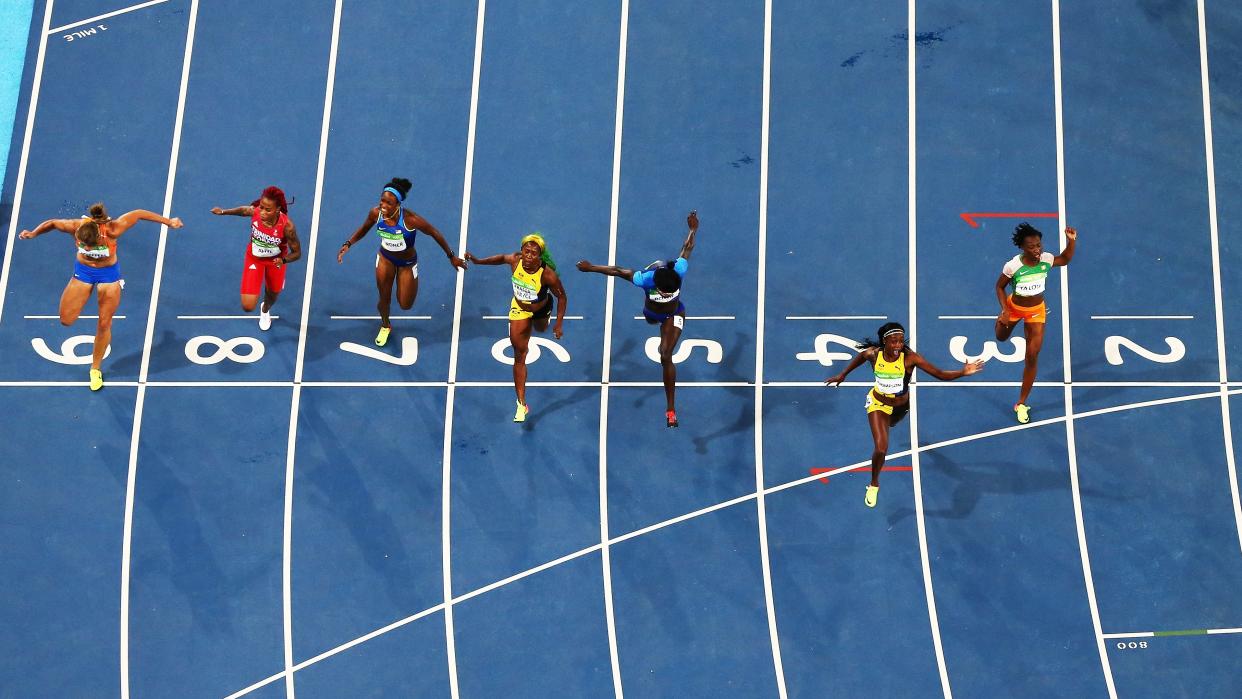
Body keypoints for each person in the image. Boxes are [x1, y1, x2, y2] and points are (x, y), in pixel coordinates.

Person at [19, 202, 184, 390]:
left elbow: (138, 213)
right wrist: (33, 233)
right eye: (84, 246)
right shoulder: (75, 226)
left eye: (90, 246)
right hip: (83, 272)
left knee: (104, 323)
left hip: (108, 275)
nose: (87, 249)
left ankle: (95, 369)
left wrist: (168, 222)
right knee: (66, 320)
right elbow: (52, 223)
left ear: (99, 235)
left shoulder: (113, 230)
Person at [825, 322, 985, 508]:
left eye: (901, 341)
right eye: (894, 342)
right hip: (878, 403)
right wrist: (843, 374)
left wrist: (962, 372)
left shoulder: (910, 359)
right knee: (881, 448)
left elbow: (940, 374)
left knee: (892, 424)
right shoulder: (873, 354)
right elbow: (861, 356)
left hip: (901, 407)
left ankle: (889, 424)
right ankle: (874, 483)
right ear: (884, 341)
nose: (898, 346)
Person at [577, 210, 699, 427]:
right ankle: (655, 322)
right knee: (651, 321)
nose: (663, 293)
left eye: (667, 291)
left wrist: (692, 229)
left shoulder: (679, 271)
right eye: (661, 291)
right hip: (651, 314)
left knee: (665, 355)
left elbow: (687, 248)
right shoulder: (645, 278)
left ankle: (670, 409)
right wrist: (591, 268)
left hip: (673, 314)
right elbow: (616, 270)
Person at [336, 177, 467, 346]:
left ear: (398, 204)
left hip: (407, 264)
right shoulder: (375, 213)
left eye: (388, 203)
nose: (383, 205)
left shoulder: (410, 220)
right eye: (382, 200)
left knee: (405, 304)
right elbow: (363, 229)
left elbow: (434, 232)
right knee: (384, 299)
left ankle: (402, 284)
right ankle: (385, 325)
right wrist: (348, 244)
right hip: (385, 259)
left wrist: (452, 256)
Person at [465, 234, 567, 422]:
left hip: (542, 308)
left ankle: (545, 316)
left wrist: (559, 323)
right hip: (520, 308)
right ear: (521, 251)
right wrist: (478, 261)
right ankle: (521, 404)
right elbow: (501, 258)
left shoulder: (547, 275)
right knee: (519, 354)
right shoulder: (515, 260)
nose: (528, 256)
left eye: (533, 253)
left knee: (542, 328)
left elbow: (562, 297)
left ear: (540, 256)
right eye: (526, 251)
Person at [994, 222, 1077, 424]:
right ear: (1022, 247)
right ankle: (1001, 322)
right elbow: (999, 287)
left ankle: (1021, 403)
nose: (1037, 249)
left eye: (1039, 245)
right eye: (1031, 246)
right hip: (1014, 308)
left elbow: (1065, 259)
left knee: (1032, 355)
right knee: (1001, 337)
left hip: (1036, 311)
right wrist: (1005, 311)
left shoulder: (1046, 259)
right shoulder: (1013, 266)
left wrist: (1071, 241)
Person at [210, 186, 301, 331]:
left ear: (278, 209)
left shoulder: (287, 227)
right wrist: (223, 212)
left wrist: (283, 261)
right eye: (262, 207)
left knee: (272, 296)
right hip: (254, 259)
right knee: (247, 306)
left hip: (275, 262)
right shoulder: (256, 211)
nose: (262, 212)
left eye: (268, 210)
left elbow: (297, 253)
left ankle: (265, 310)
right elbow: (243, 210)